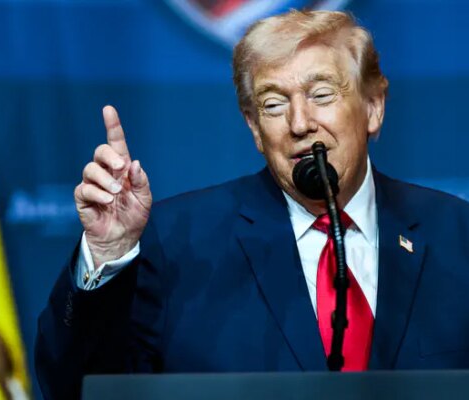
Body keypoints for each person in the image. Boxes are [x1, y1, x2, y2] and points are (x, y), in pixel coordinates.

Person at [35, 9, 469, 400]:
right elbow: (75, 387)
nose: (300, 123)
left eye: (321, 95)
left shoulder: (456, 234)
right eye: (274, 104)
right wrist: (108, 253)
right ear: (256, 129)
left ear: (373, 107)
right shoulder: (178, 243)